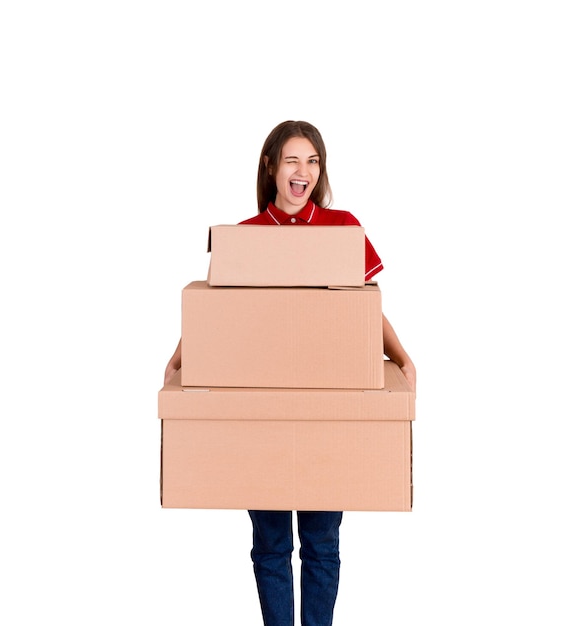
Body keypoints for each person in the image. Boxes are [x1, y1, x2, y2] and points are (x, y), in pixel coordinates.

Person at [164, 120, 416, 626]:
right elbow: (218, 313)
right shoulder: (246, 238)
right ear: (271, 167)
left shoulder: (343, 229)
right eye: (293, 161)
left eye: (313, 161)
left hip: (328, 406)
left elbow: (366, 308)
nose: (303, 172)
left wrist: (404, 357)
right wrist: (179, 356)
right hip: (264, 411)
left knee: (322, 544)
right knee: (271, 544)